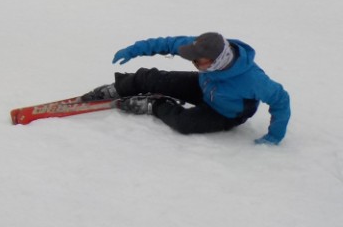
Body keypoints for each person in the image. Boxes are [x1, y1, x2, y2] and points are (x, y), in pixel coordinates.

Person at [82, 32, 291, 144]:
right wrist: (134, 50)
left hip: (225, 113)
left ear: (217, 61)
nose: (193, 62)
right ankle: (119, 88)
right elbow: (168, 43)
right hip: (204, 86)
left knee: (184, 123)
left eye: (198, 61)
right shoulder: (203, 48)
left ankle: (155, 104)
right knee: (152, 78)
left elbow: (281, 99)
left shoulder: (252, 80)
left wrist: (275, 135)